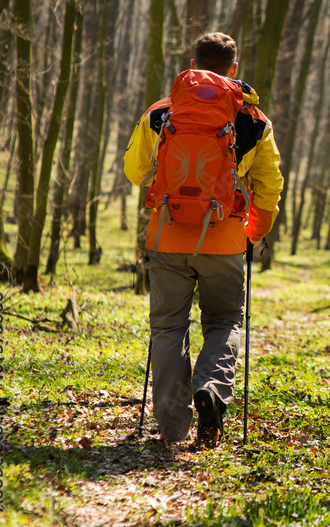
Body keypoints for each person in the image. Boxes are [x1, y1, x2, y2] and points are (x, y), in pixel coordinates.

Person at [124, 32, 283, 447]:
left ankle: (173, 428)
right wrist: (254, 232)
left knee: (167, 329)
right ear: (233, 70)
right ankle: (210, 388)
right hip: (225, 239)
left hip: (167, 236)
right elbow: (269, 186)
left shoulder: (161, 113)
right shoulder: (254, 121)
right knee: (225, 320)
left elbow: (133, 170)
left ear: (192, 64)